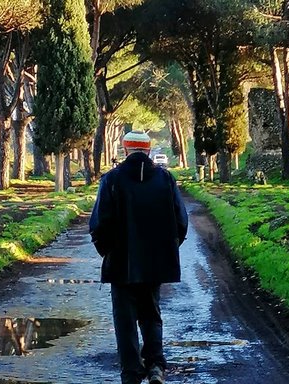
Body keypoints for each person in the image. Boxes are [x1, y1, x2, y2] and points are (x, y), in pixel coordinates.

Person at [89, 131, 188, 384]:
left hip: (121, 263)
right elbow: (181, 221)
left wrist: (107, 251)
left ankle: (131, 373)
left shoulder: (111, 179)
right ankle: (156, 366)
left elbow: (99, 223)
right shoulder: (165, 179)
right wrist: (169, 247)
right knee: (151, 314)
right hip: (155, 262)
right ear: (148, 149)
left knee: (125, 321)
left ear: (125, 150)